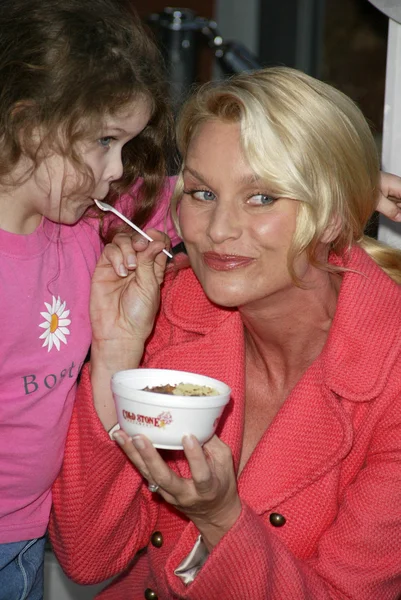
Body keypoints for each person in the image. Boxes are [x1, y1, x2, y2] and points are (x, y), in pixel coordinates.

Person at [49, 65, 401, 599]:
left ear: (332, 216)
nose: (215, 232)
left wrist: (220, 518)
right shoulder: (173, 308)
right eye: (202, 193)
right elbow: (89, 554)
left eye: (261, 198)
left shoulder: (391, 378)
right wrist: (117, 352)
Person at [0, 0, 178, 598]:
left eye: (126, 143)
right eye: (105, 140)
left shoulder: (82, 228)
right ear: (29, 127)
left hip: (24, 538)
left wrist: (338, 186)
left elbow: (202, 202)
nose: (117, 169)